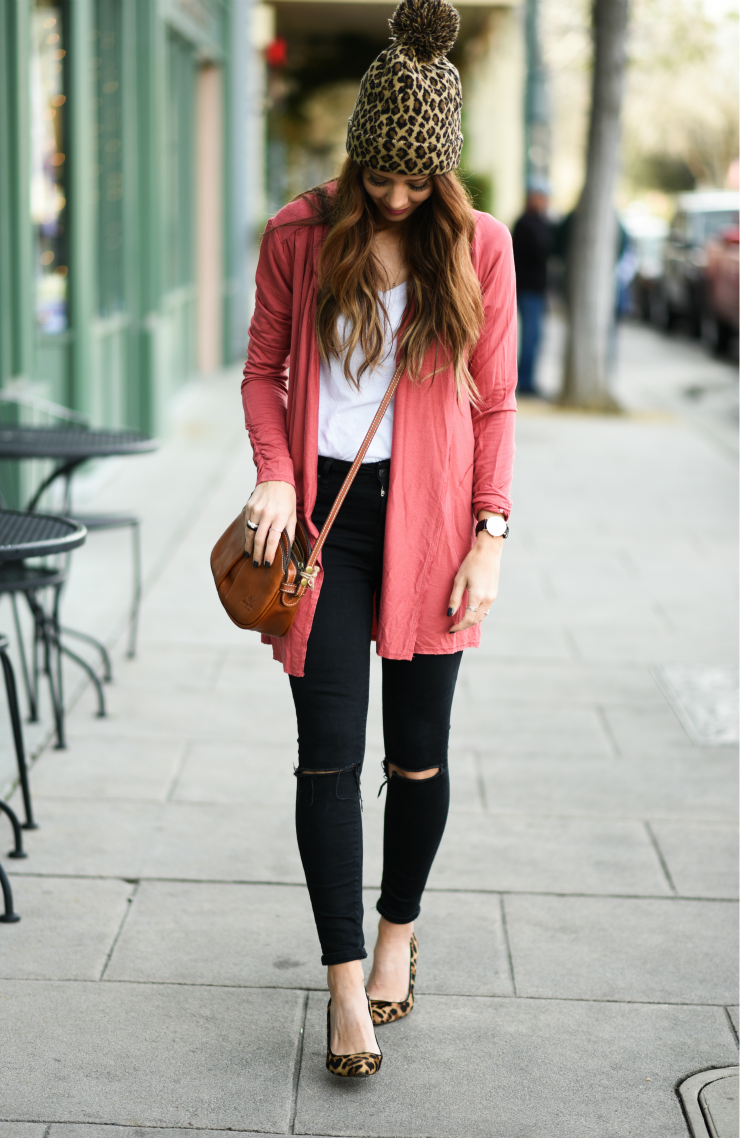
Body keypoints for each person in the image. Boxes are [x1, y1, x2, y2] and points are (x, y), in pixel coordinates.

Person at [240, 0, 516, 1079]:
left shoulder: (476, 246)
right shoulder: (299, 236)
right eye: (379, 177)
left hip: (435, 521)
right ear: (355, 160)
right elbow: (264, 371)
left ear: (440, 176)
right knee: (327, 758)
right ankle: (344, 987)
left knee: (416, 756)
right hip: (323, 527)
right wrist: (272, 474)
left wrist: (489, 535)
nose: (395, 197)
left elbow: (493, 403)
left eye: (415, 181)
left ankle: (398, 930)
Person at [512, 180, 553, 395]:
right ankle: (524, 382)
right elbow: (538, 252)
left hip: (536, 289)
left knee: (535, 337)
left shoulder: (541, 222)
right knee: (530, 337)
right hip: (527, 289)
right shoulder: (526, 223)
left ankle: (528, 379)